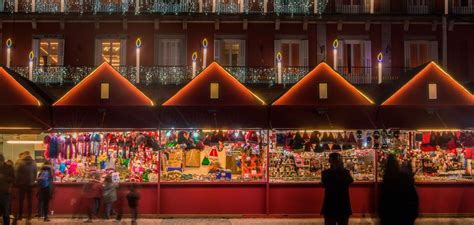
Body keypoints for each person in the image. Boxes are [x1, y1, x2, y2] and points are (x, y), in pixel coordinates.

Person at [378, 155, 419, 225]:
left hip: (390, 217)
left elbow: (383, 201)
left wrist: (382, 216)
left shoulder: (386, 181)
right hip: (404, 216)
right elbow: (413, 199)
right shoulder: (404, 179)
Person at [321, 152, 353, 225]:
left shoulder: (325, 173)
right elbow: (350, 181)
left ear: (329, 161)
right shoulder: (345, 172)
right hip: (343, 204)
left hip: (330, 204)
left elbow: (324, 183)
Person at [15, 151, 37, 221]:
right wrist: (33, 181)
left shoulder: (21, 162)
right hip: (30, 184)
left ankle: (20, 216)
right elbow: (35, 173)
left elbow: (17, 174)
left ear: (25, 155)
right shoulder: (34, 163)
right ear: (30, 155)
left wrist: (18, 182)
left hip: (22, 184)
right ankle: (29, 216)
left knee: (21, 200)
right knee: (29, 201)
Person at [0, 154, 15, 225]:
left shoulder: (9, 168)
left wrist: (3, 177)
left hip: (5, 193)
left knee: (6, 212)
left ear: (2, 161)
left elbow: (13, 179)